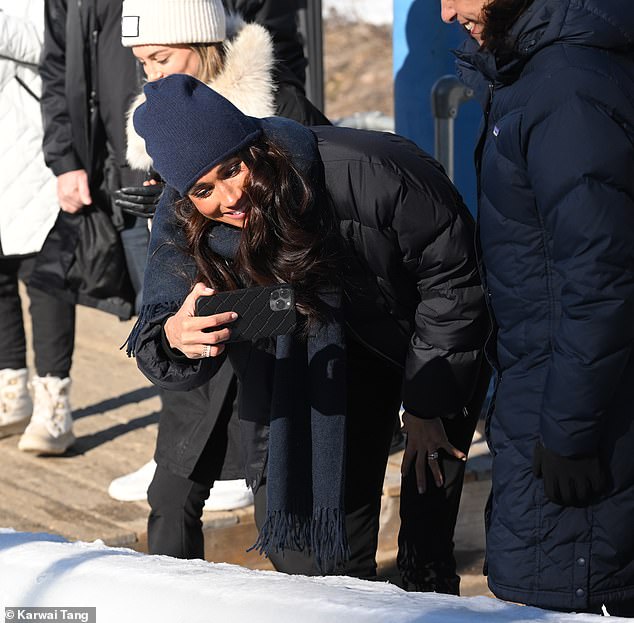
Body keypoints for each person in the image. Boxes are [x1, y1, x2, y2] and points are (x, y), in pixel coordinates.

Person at [127, 74, 489, 581]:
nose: (230, 196)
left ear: (255, 147)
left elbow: (455, 282)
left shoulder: (370, 172)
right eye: (205, 188)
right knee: (316, 554)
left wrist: (426, 406)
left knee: (426, 533)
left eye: (233, 168)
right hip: (324, 352)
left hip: (434, 335)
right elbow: (154, 330)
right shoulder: (186, 216)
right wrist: (174, 337)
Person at [439, 0, 634, 615]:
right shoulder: (534, 73)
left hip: (579, 415)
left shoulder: (564, 87)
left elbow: (600, 277)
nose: (447, 13)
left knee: (558, 596)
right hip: (549, 396)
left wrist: (570, 432)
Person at [112, 0, 331, 530]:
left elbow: (324, 224)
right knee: (171, 497)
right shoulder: (159, 120)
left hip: (278, 338)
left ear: (204, 45)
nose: (152, 75)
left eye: (162, 57)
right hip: (206, 325)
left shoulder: (281, 113)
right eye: (143, 63)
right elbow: (164, 298)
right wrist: (167, 206)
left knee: (279, 503)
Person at [0, 0, 75, 455]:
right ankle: (12, 394)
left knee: (46, 281)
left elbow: (47, 44)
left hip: (32, 151)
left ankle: (55, 407)